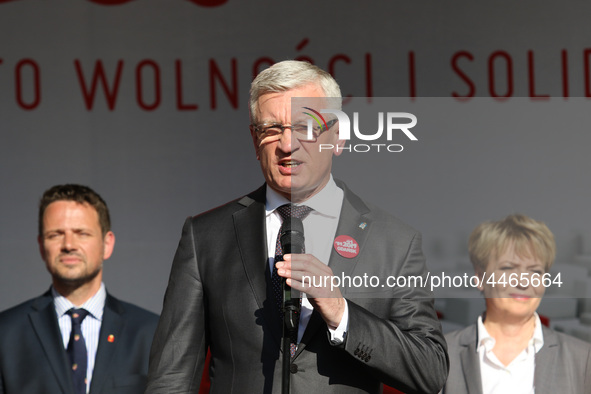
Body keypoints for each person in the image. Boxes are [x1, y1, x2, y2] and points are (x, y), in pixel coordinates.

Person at [146, 60, 448, 394]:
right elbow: (170, 376)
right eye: (272, 129)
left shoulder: (393, 241)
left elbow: (430, 370)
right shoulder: (205, 236)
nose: (287, 145)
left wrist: (340, 311)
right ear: (253, 139)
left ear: (337, 137)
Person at [0, 184, 159, 394]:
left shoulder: (151, 333)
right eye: (55, 234)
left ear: (107, 244)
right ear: (41, 246)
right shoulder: (6, 333)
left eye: (82, 233)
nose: (69, 244)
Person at [442, 214, 591, 394]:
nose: (523, 282)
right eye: (508, 268)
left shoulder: (582, 359)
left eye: (535, 271)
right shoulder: (442, 355)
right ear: (480, 278)